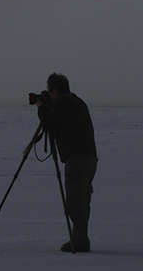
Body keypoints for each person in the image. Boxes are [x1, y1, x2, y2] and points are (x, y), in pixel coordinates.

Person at [28, 73, 98, 252]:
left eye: (50, 92)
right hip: (89, 158)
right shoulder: (77, 101)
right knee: (82, 200)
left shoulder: (62, 103)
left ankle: (80, 242)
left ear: (55, 90)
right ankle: (79, 239)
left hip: (77, 159)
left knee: (75, 202)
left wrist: (40, 106)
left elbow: (48, 122)